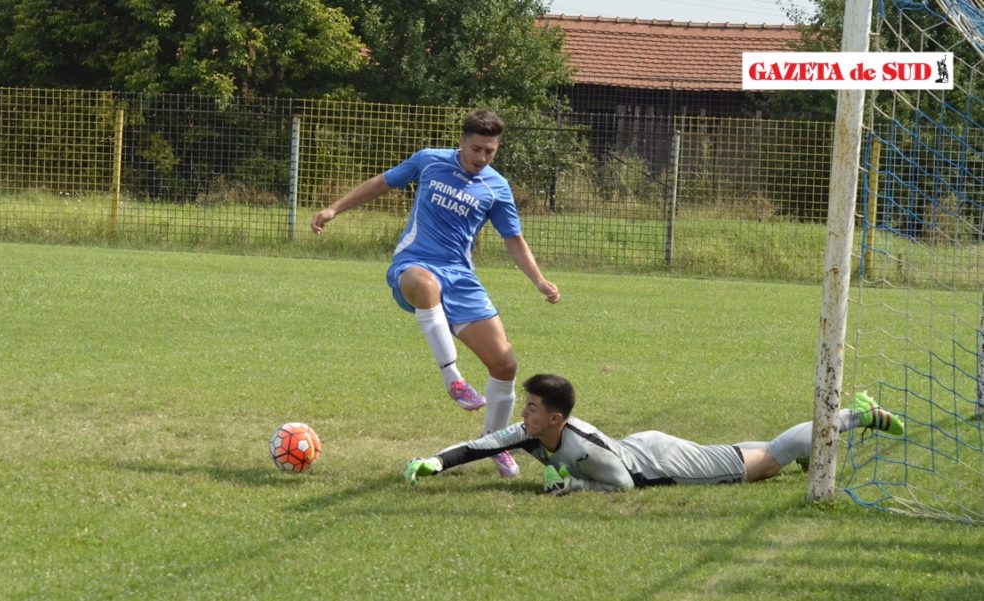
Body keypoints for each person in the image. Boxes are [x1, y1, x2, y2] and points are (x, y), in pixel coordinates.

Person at [311, 110, 560, 478]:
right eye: (476, 148)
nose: (481, 157)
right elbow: (382, 183)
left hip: (460, 277)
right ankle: (453, 379)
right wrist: (334, 208)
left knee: (505, 364)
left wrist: (539, 280)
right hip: (414, 264)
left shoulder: (496, 187)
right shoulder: (428, 161)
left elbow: (514, 239)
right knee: (426, 286)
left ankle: (495, 442)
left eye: (490, 151)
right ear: (461, 141)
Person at [403, 373, 906, 494]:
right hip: (643, 446)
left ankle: (854, 414)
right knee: (741, 453)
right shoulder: (534, 432)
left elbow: (621, 485)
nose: (524, 415)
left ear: (556, 418)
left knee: (768, 461)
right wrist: (436, 462)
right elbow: (481, 444)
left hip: (658, 462)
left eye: (532, 409)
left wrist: (571, 486)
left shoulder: (576, 446)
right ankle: (834, 429)